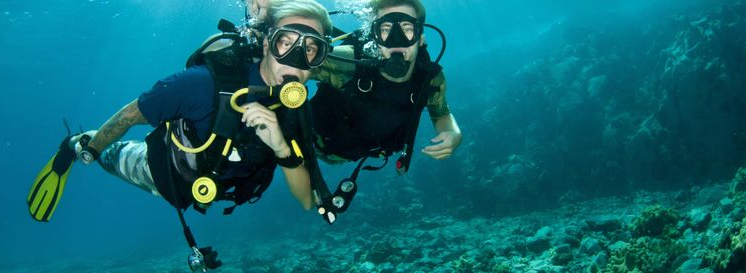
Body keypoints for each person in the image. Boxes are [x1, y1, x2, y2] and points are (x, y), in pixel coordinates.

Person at [27, 0, 332, 270]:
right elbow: (131, 114)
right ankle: (75, 143)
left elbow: (306, 200)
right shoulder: (201, 84)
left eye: (309, 49)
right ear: (267, 44)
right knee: (115, 156)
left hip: (223, 191)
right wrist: (89, 152)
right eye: (285, 43)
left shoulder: (294, 110)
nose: (296, 59)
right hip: (167, 174)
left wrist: (280, 146)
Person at [307, 0, 462, 221]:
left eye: (407, 29)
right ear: (374, 36)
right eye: (386, 29)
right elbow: (287, 66)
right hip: (318, 145)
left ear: (421, 37)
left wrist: (454, 134)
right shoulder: (346, 61)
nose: (396, 40)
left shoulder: (429, 78)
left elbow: (442, 114)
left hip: (368, 151)